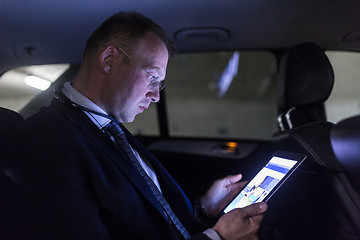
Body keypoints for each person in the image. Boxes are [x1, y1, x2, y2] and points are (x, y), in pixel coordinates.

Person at [0, 11, 267, 240]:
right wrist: (216, 237)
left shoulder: (105, 127)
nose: (156, 95)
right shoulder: (44, 142)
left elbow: (135, 220)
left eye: (160, 84)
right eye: (152, 78)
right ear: (109, 60)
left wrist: (202, 208)